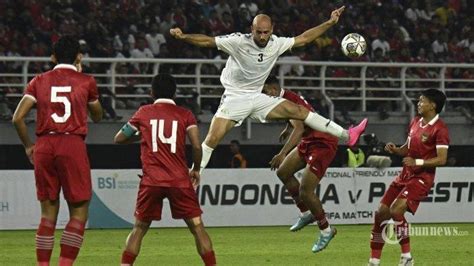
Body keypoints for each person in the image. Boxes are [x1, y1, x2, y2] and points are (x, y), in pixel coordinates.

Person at [169, 6, 368, 173]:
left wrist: (330, 22)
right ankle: (192, 175)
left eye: (266, 32)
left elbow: (305, 38)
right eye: (258, 32)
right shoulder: (238, 41)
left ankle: (347, 136)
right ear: (252, 29)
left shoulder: (277, 44)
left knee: (300, 112)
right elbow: (207, 41)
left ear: (272, 29)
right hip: (235, 98)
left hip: (257, 97)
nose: (262, 36)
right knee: (212, 139)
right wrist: (184, 36)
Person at [11, 36, 103, 266]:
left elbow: (17, 118)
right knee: (79, 211)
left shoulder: (38, 81)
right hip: (72, 143)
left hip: (44, 144)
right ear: (78, 57)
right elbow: (99, 116)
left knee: (48, 213)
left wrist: (29, 146)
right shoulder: (86, 81)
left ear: (53, 57)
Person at [114, 74, 216, 266]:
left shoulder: (143, 112)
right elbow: (196, 146)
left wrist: (142, 135)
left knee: (139, 228)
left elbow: (119, 138)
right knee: (197, 227)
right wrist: (195, 169)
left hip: (151, 181)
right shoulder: (185, 114)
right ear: (174, 93)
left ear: (152, 92)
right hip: (179, 180)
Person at [368, 89, 449, 266]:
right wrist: (396, 150)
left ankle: (407, 258)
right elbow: (407, 148)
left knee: (396, 210)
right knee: (380, 214)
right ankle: (374, 261)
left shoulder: (440, 129)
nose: (419, 103)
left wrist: (417, 162)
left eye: (422, 101)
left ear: (433, 105)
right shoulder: (415, 122)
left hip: (422, 178)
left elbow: (442, 159)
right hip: (404, 174)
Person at [263, 76, 339, 253]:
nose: (264, 96)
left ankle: (326, 230)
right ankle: (305, 213)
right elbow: (298, 121)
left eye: (265, 92)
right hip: (308, 140)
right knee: (283, 172)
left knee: (306, 191)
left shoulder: (285, 99)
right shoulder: (286, 97)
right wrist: (287, 128)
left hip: (322, 142)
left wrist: (282, 153)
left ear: (273, 89)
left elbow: (298, 128)